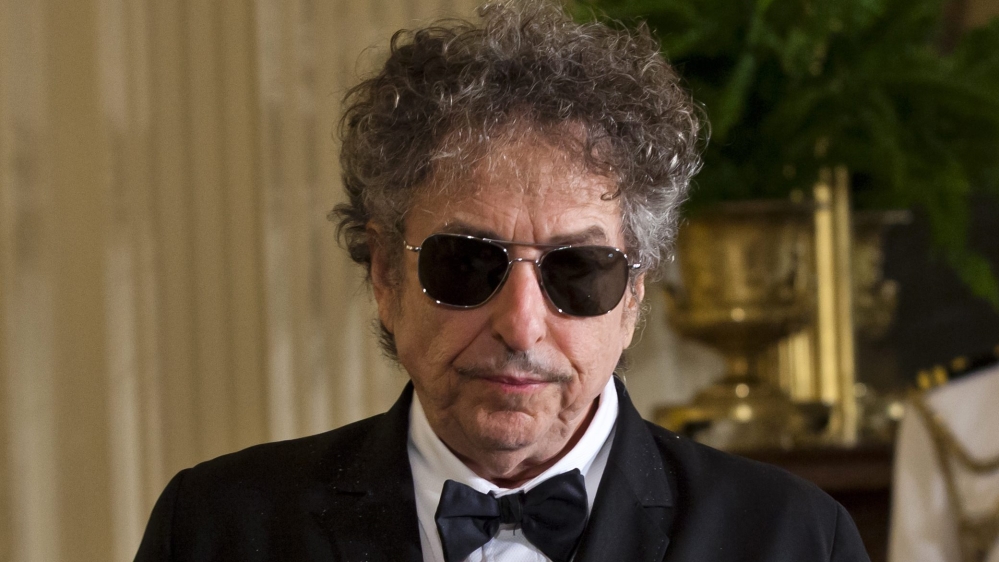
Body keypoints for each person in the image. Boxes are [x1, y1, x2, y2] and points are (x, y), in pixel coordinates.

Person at [134, 2, 870, 561]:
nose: (521, 325)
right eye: (467, 263)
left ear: (633, 297)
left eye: (576, 271)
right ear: (385, 273)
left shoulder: (793, 540)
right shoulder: (217, 529)